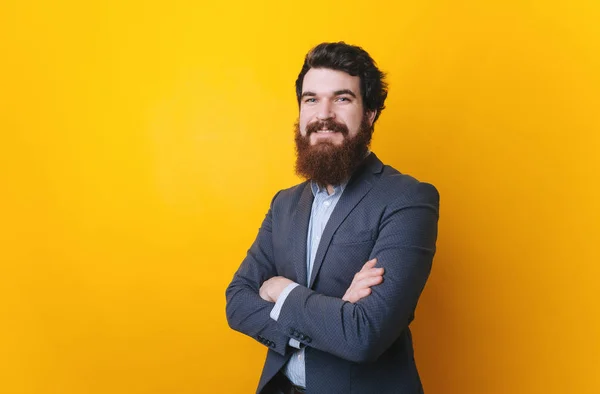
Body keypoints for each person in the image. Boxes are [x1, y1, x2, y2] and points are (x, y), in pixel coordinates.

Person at [225, 42, 439, 394]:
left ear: (370, 113)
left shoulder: (408, 199)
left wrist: (283, 291)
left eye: (342, 99)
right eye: (311, 99)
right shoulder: (284, 204)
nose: (323, 115)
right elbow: (237, 301)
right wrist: (334, 314)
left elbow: (363, 335)